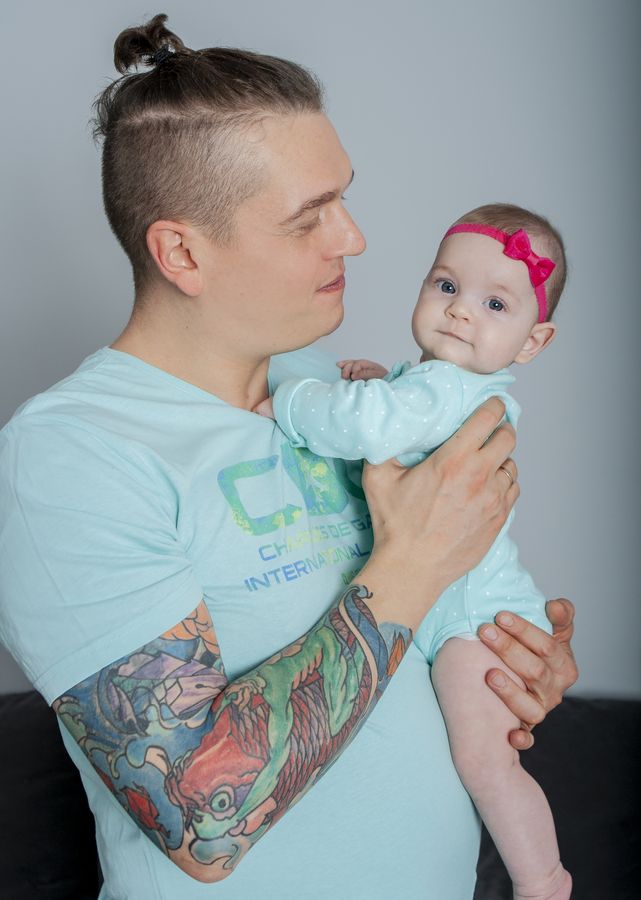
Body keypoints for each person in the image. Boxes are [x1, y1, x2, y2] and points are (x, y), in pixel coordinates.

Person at [0, 15, 577, 900]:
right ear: (181, 251)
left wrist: (510, 657)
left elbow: (423, 645)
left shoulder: (333, 390)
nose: (354, 238)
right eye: (310, 217)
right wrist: (418, 563)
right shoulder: (68, 456)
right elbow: (199, 820)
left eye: (343, 198)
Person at [260, 203, 572, 900]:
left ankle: (543, 880)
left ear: (532, 341)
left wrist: (290, 401)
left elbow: (369, 426)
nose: (460, 310)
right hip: (449, 611)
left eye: (495, 303)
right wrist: (384, 380)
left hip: (474, 623)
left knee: (487, 764)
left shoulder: (444, 389)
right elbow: (402, 414)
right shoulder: (437, 386)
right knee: (476, 754)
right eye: (446, 285)